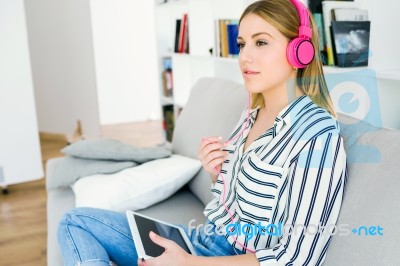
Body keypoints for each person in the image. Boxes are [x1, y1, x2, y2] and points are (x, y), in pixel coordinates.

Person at [57, 0, 347, 265]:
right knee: (75, 222)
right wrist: (217, 174)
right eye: (242, 43)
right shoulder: (251, 115)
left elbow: (298, 258)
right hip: (203, 242)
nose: (245, 56)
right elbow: (230, 208)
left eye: (261, 43)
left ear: (300, 50)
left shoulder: (318, 136)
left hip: (222, 260)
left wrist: (190, 263)